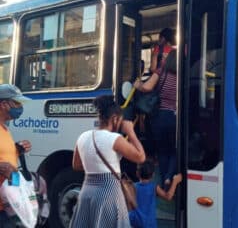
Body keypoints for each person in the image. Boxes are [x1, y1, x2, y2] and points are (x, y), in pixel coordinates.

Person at [70, 95, 145, 228]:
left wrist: (95, 166)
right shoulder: (115, 139)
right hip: (109, 193)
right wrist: (131, 132)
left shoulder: (83, 136)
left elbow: (76, 165)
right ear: (115, 118)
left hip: (87, 191)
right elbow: (141, 157)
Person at [134, 49, 177, 189]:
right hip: (175, 117)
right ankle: (169, 177)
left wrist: (137, 85)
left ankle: (164, 179)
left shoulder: (161, 72)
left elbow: (147, 87)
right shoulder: (182, 74)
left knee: (163, 152)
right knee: (174, 150)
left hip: (159, 117)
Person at [0, 84, 32, 228]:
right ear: (4, 104)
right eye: (17, 103)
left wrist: (17, 150)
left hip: (8, 204)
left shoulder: (5, 129)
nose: (20, 107)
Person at [129, 159, 182, 228]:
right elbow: (168, 197)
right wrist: (175, 181)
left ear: (137, 173)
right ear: (153, 175)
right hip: (149, 224)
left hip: (134, 222)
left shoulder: (132, 186)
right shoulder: (154, 187)